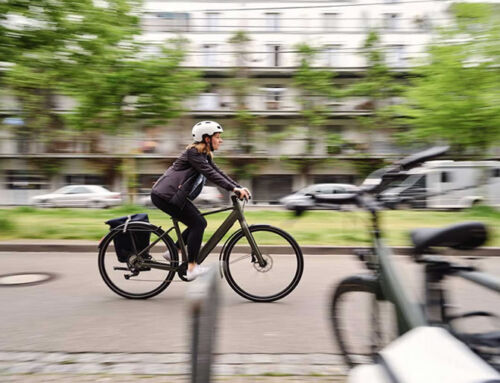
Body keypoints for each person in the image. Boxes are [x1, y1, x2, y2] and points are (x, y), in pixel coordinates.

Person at [150, 121, 250, 280]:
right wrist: (233, 189)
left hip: (173, 196)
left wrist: (238, 187)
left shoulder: (203, 155)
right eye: (218, 137)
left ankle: (174, 251)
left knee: (198, 222)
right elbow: (211, 174)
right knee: (198, 223)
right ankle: (192, 268)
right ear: (207, 138)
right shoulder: (193, 154)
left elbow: (218, 172)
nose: (221, 140)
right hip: (165, 196)